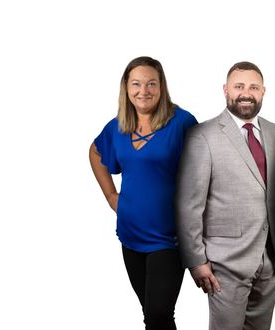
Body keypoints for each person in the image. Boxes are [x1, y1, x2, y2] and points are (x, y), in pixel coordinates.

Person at [176, 61, 275, 330]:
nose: (245, 93)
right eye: (239, 86)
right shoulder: (202, 136)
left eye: (253, 87)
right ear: (225, 90)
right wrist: (196, 261)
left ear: (263, 91)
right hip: (223, 263)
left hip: (271, 258)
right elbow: (188, 205)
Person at [89, 56, 197, 330]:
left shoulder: (182, 122)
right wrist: (111, 197)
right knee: (153, 316)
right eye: (136, 84)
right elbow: (95, 151)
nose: (143, 91)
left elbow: (206, 171)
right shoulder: (118, 127)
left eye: (151, 83)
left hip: (169, 237)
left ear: (162, 87)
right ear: (126, 87)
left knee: (159, 313)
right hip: (130, 234)